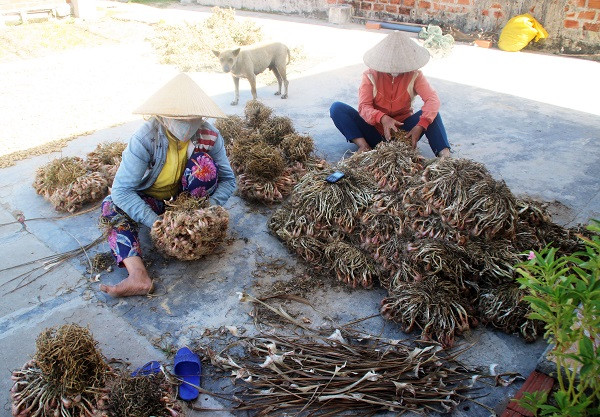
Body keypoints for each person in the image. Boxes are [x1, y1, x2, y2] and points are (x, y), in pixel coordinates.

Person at [99, 73, 236, 297]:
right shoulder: (145, 139)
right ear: (162, 117)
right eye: (180, 119)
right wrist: (157, 223)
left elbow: (229, 180)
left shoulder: (209, 135)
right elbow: (122, 191)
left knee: (204, 167)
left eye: (194, 118)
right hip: (152, 200)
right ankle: (138, 275)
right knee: (110, 206)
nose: (188, 125)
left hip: (190, 200)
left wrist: (204, 212)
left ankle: (194, 221)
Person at [330, 31, 451, 157]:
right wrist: (382, 118)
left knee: (433, 114)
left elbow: (432, 100)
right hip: (374, 132)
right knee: (337, 108)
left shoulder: (415, 75)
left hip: (403, 132)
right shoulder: (370, 75)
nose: (395, 70)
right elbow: (364, 107)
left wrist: (421, 125)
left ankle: (445, 156)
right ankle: (363, 146)